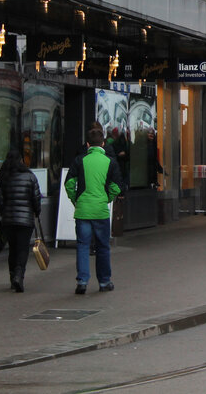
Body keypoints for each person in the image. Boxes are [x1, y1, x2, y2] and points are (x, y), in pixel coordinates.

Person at [65, 123, 124, 294]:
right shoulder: (110, 162)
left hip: (83, 210)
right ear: (103, 144)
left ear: (88, 145)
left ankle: (82, 282)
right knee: (103, 246)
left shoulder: (79, 160)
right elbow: (116, 186)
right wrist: (107, 199)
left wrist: (76, 199)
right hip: (100, 210)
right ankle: (104, 282)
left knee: (83, 245)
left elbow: (69, 183)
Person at [0, 148, 41, 292]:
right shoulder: (30, 177)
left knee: (12, 249)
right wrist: (36, 212)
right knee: (22, 249)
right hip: (25, 221)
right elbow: (36, 198)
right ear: (21, 160)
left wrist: (4, 213)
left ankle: (13, 276)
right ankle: (19, 274)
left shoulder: (3, 177)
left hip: (8, 220)